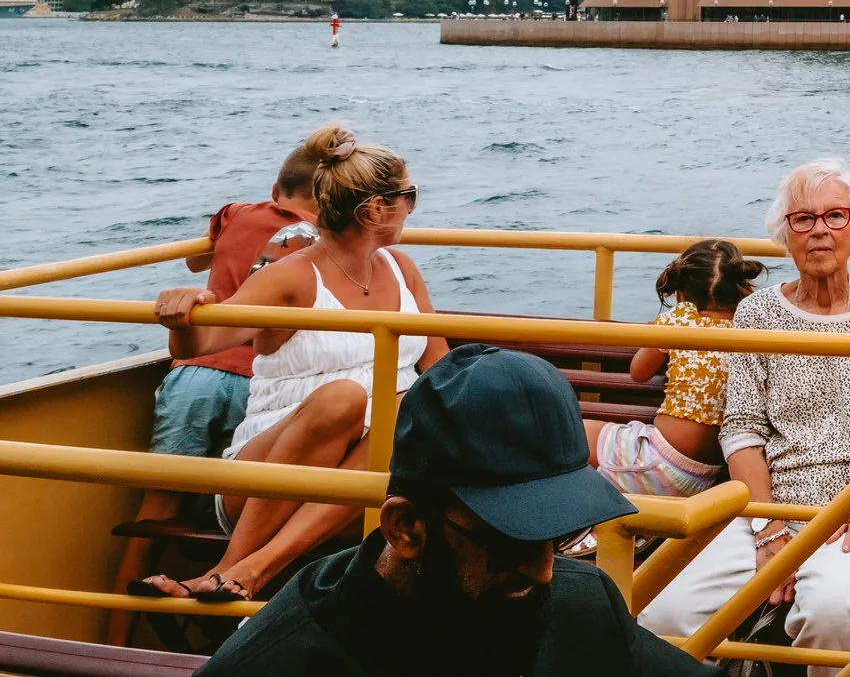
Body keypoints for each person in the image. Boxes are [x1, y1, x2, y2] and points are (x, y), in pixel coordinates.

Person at [195, 342, 716, 675]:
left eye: (560, 535)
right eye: (510, 539)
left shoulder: (582, 605)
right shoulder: (283, 661)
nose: (544, 569)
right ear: (406, 529)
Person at [140, 125, 450, 603]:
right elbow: (198, 344)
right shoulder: (292, 276)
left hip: (376, 472)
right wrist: (183, 312)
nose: (412, 206)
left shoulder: (402, 270)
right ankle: (233, 565)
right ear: (376, 209)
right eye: (408, 195)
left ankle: (248, 570)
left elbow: (441, 372)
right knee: (346, 399)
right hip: (266, 480)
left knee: (412, 408)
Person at [638, 159, 850, 653]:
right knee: (665, 608)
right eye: (804, 219)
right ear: (786, 232)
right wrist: (768, 525)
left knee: (834, 611)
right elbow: (742, 429)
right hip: (768, 502)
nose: (820, 230)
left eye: (835, 216)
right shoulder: (759, 313)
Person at [113, 137, 327, 623]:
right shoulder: (327, 237)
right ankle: (236, 615)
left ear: (276, 188)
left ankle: (112, 637)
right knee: (263, 511)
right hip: (264, 385)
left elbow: (197, 262)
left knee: (156, 513)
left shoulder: (238, 213)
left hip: (196, 374)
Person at [586, 239, 761, 499]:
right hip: (705, 477)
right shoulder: (749, 327)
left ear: (680, 290)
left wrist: (656, 331)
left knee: (572, 432)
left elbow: (639, 372)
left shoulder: (678, 321)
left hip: (656, 462)